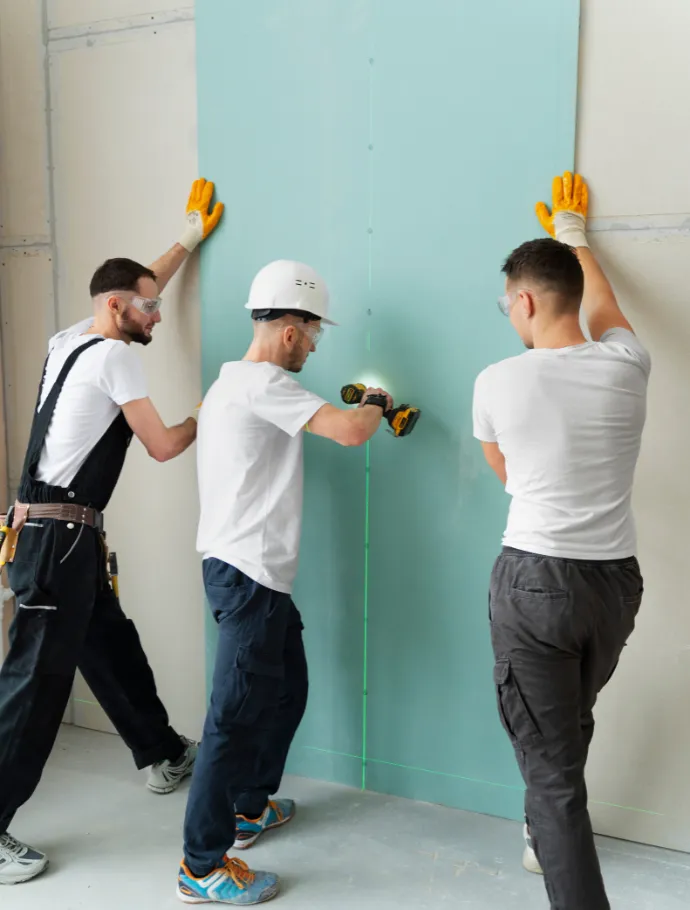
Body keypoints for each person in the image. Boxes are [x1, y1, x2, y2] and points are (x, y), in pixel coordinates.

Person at [0, 178, 224, 885]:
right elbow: (161, 444)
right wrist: (213, 409)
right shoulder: (115, 355)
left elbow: (135, 283)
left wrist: (188, 238)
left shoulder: (71, 337)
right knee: (34, 683)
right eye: (149, 308)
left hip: (57, 536)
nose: (157, 317)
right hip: (57, 539)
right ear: (116, 308)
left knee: (108, 643)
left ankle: (161, 751)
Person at [177, 259, 393, 905]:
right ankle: (200, 865)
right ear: (291, 328)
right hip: (246, 576)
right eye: (314, 330)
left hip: (255, 575)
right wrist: (377, 400)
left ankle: (248, 808)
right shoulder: (261, 383)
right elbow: (352, 432)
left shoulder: (232, 384)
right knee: (232, 720)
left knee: (285, 691)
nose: (317, 342)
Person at [473, 173, 649, 910]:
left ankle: (558, 854)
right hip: (613, 586)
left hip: (536, 581)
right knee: (570, 721)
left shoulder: (498, 380)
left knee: (549, 771)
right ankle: (541, 833)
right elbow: (607, 309)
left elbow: (502, 470)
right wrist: (578, 236)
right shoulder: (628, 366)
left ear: (523, 301)